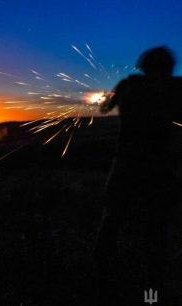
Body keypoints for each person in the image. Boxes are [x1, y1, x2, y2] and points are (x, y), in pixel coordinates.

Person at [95, 46, 182, 295]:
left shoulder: (128, 85)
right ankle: (152, 291)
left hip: (126, 162)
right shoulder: (175, 88)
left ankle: (101, 274)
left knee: (113, 215)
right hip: (159, 164)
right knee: (155, 224)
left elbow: (103, 109)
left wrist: (107, 97)